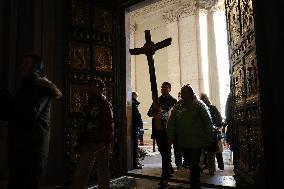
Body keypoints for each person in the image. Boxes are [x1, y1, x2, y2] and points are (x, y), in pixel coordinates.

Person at [6, 54, 62, 189]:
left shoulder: (42, 88)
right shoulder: (26, 87)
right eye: (22, 63)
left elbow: (30, 112)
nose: (21, 67)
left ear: (36, 68)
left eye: (26, 64)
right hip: (20, 146)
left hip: (32, 149)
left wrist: (9, 102)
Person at [70, 79, 114, 189]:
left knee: (103, 170)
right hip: (89, 140)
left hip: (100, 141)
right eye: (91, 86)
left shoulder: (105, 104)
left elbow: (108, 123)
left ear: (100, 89)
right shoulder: (89, 103)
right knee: (82, 168)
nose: (91, 88)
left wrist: (104, 141)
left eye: (94, 86)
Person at [167, 84, 213, 189]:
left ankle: (195, 185)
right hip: (183, 142)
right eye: (182, 92)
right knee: (192, 165)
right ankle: (194, 183)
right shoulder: (178, 107)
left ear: (191, 93)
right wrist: (170, 137)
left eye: (185, 92)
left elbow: (208, 122)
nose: (183, 95)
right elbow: (171, 123)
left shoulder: (199, 105)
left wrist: (209, 138)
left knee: (193, 164)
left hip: (197, 141)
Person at [147, 81, 177, 187]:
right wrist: (154, 109)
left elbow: (173, 115)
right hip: (158, 129)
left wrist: (162, 111)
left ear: (169, 89)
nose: (163, 89)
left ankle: (164, 176)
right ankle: (169, 169)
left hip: (166, 130)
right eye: (162, 87)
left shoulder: (173, 101)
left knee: (166, 153)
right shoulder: (157, 100)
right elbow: (149, 113)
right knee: (163, 152)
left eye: (165, 87)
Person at [200, 93, 224, 175]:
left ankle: (200, 169)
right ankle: (212, 169)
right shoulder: (212, 108)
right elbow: (219, 120)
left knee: (202, 153)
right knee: (212, 153)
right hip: (212, 133)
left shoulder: (199, 109)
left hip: (203, 134)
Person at [132, 91, 143, 169]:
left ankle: (134, 162)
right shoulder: (133, 103)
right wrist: (140, 124)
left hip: (133, 127)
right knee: (134, 146)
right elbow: (137, 116)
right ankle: (134, 163)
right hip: (133, 128)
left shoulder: (132, 103)